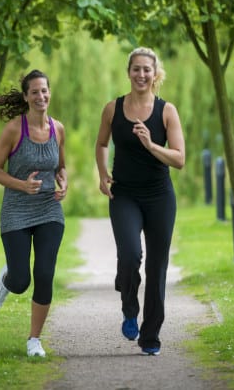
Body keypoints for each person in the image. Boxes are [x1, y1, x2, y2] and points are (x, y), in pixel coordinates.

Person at [95, 47, 185, 356]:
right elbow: (101, 143)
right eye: (136, 69)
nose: (141, 74)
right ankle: (129, 306)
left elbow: (179, 159)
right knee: (131, 255)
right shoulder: (113, 108)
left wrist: (150, 144)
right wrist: (103, 172)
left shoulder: (166, 111)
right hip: (125, 195)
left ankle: (150, 337)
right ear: (129, 72)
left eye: (147, 69)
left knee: (157, 267)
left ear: (155, 73)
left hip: (160, 196)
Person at [0, 69, 68, 358]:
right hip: (17, 211)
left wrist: (64, 183)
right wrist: (22, 185)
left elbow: (60, 166)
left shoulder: (57, 129)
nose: (41, 96)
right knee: (22, 281)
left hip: (49, 209)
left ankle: (34, 339)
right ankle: (7, 279)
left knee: (45, 274)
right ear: (26, 96)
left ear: (49, 93)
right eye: (34, 91)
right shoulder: (13, 129)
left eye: (44, 90)